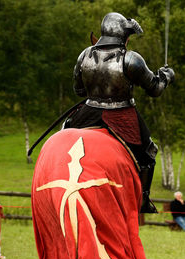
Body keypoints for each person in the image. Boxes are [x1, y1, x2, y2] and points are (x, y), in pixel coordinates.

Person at [64, 12, 175, 213]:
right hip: (121, 113)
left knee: (65, 134)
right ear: (125, 36)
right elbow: (155, 89)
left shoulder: (85, 55)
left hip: (89, 110)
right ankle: (143, 200)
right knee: (149, 152)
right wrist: (166, 76)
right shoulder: (131, 59)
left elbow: (78, 90)